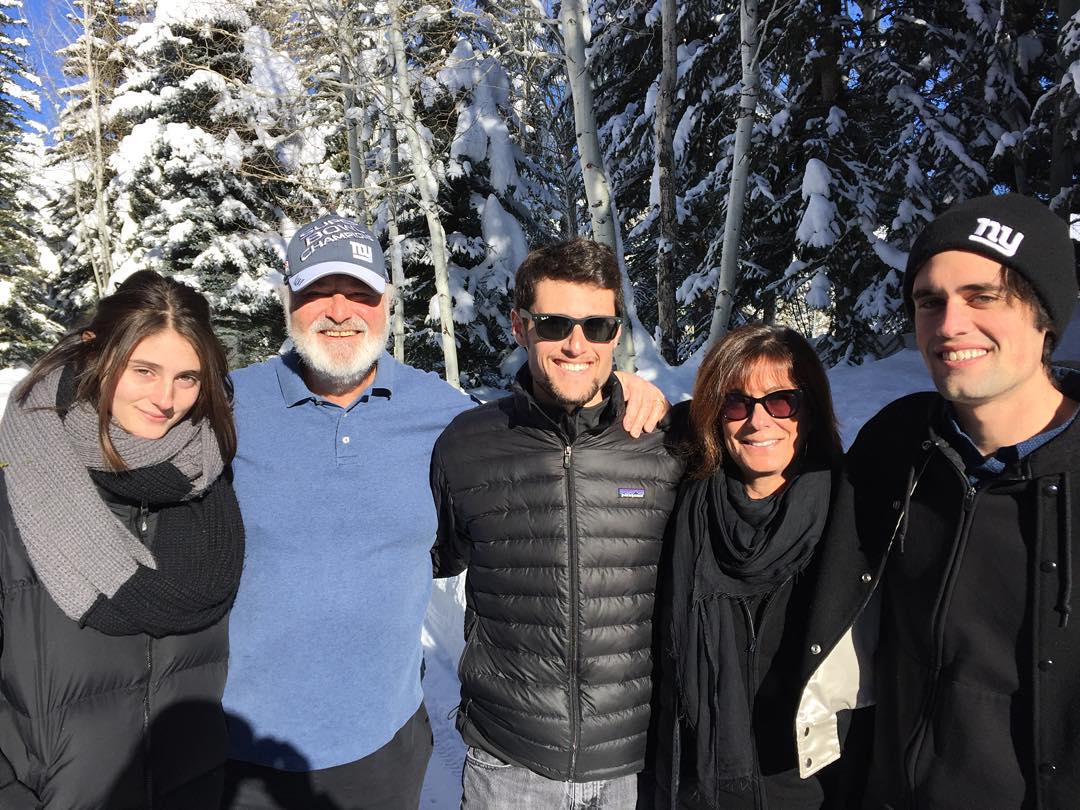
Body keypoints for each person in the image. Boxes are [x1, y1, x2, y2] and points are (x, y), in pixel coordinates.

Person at [222, 218, 670, 810]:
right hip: (239, 747)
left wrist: (630, 391)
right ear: (287, 300)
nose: (339, 310)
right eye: (316, 292)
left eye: (359, 293)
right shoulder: (224, 404)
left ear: (385, 303)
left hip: (389, 748)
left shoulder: (442, 414)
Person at [800, 192, 1080, 808]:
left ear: (1046, 316)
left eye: (983, 297)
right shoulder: (897, 445)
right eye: (931, 301)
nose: (951, 325)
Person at [430, 237, 686, 808]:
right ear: (521, 327)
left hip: (631, 770)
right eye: (554, 324)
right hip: (509, 764)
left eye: (597, 327)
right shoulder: (466, 446)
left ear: (617, 334)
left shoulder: (663, 444)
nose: (577, 344)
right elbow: (428, 553)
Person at [0, 271, 244, 809]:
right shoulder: (18, 487)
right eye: (144, 370)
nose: (166, 398)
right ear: (96, 354)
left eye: (188, 378)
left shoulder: (213, 482)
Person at [654, 324, 844, 809]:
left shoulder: (853, 512)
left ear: (811, 408)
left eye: (782, 401)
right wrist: (628, 388)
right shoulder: (682, 498)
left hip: (814, 788)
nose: (758, 422)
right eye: (735, 404)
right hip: (698, 784)